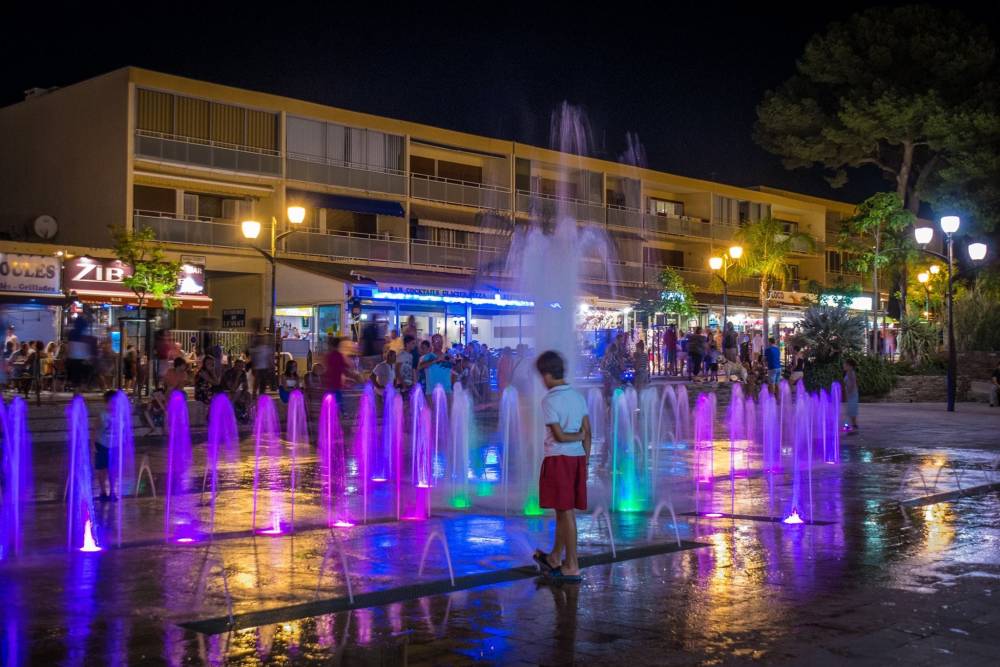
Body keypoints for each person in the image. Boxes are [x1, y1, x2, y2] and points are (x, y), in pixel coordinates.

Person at [532, 350, 590, 583]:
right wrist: (585, 460)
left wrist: (575, 436)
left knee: (566, 513)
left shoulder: (549, 400)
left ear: (546, 375)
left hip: (558, 459)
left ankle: (572, 564)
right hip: (576, 458)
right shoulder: (577, 396)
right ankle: (556, 557)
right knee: (561, 510)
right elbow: (589, 432)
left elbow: (558, 436)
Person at [324, 336, 360, 404]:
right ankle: (340, 413)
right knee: (338, 402)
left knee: (329, 402)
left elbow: (327, 368)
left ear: (331, 345)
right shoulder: (339, 355)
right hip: (337, 382)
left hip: (329, 382)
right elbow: (346, 367)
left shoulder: (329, 355)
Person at [95, 390, 116, 501]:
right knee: (102, 469)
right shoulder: (102, 415)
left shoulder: (120, 415)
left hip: (115, 446)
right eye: (109, 402)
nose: (112, 405)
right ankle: (103, 491)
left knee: (113, 469)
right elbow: (94, 430)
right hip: (102, 445)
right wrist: (92, 445)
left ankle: (112, 491)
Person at [843, 357, 860, 432]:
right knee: (851, 409)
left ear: (850, 366)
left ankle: (847, 425)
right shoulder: (849, 372)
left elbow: (853, 383)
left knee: (850, 410)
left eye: (845, 365)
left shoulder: (850, 373)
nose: (844, 366)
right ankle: (854, 424)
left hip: (852, 394)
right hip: (851, 393)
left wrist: (849, 392)